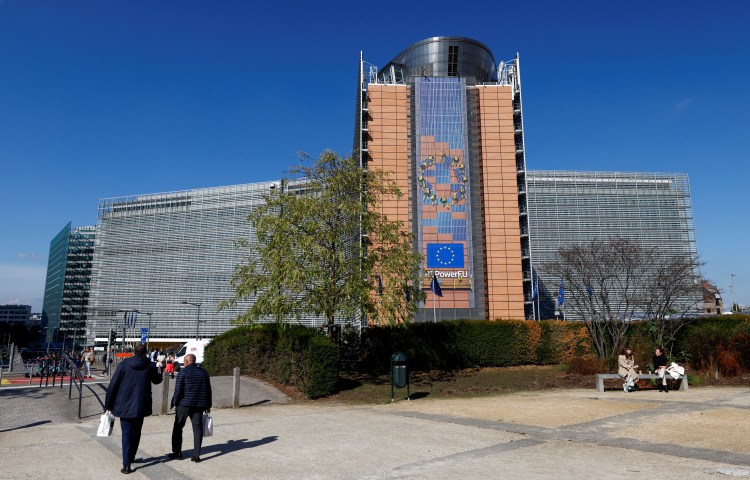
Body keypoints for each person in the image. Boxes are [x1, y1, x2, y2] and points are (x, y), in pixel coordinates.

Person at [105, 343, 162, 475]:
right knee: (136, 433)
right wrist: (160, 369)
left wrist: (108, 404)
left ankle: (126, 464)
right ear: (146, 352)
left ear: (133, 352)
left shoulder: (124, 365)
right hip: (141, 405)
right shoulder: (149, 365)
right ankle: (131, 457)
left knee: (126, 433)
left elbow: (113, 385)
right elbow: (157, 381)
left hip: (124, 404)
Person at [168, 353, 212, 463]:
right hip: (199, 405)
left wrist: (174, 402)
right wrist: (208, 405)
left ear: (187, 362)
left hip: (184, 404)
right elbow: (208, 390)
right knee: (197, 429)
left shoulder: (183, 372)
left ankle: (177, 452)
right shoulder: (204, 373)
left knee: (178, 427)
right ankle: (196, 455)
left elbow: (178, 390)